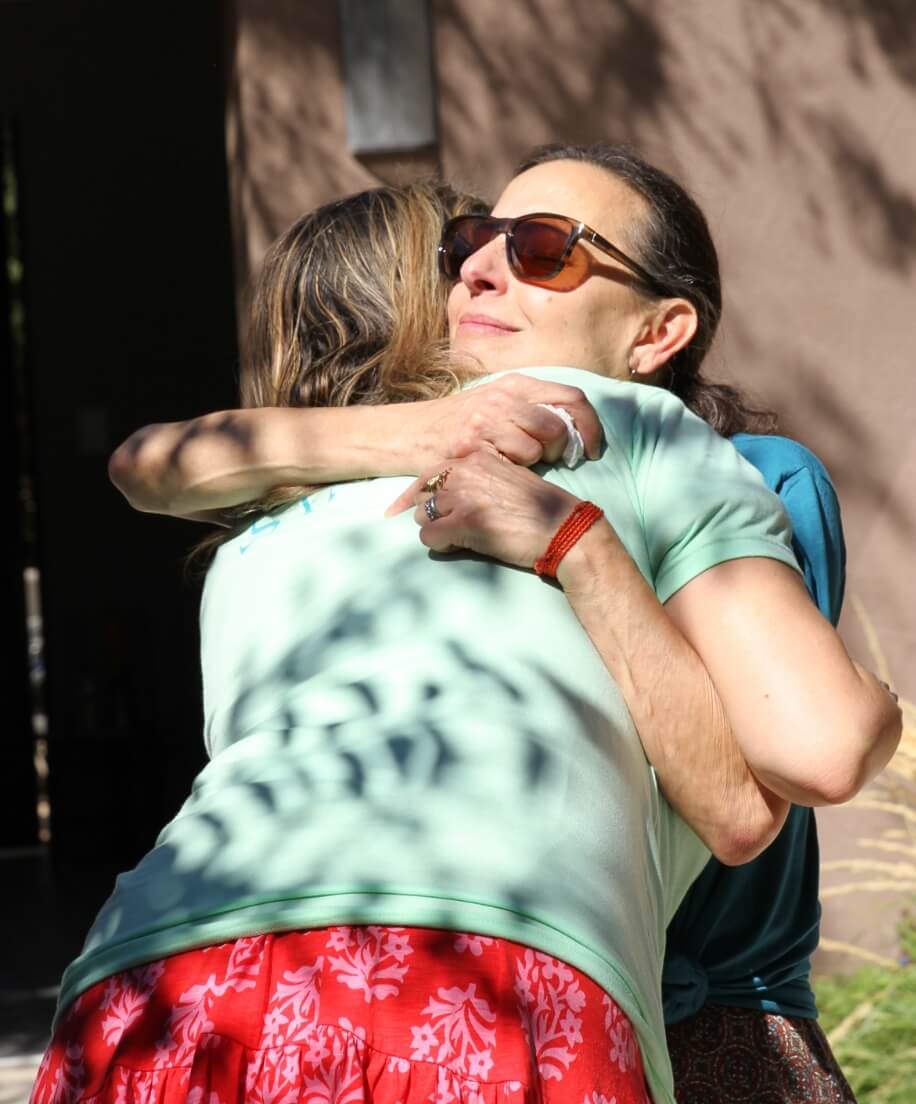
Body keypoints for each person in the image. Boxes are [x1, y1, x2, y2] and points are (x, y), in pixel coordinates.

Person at [37, 152, 899, 1104]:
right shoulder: (363, 459)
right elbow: (143, 463)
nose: (481, 269)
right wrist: (448, 439)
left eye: (544, 249)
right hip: (473, 985)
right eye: (470, 244)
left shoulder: (270, 510)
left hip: (154, 988)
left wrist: (573, 540)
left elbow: (152, 465)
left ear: (659, 331)